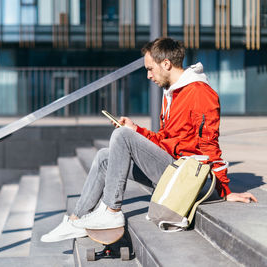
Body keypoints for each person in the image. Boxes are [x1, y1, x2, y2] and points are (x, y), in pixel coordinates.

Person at [41, 37, 258, 243]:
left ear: (166, 64)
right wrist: (137, 129)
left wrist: (224, 191)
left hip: (187, 179)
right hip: (171, 170)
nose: (148, 75)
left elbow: (210, 144)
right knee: (105, 157)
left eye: (150, 69)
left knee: (122, 135)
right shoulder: (171, 94)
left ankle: (111, 211)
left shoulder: (200, 93)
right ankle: (77, 220)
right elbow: (165, 139)